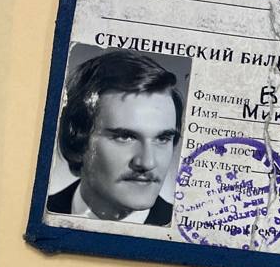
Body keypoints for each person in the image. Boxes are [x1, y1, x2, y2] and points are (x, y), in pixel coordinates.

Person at [47, 49, 184, 225]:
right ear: (77, 141)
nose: (147, 162)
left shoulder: (185, 227)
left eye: (162, 138)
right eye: (125, 137)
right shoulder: (36, 212)